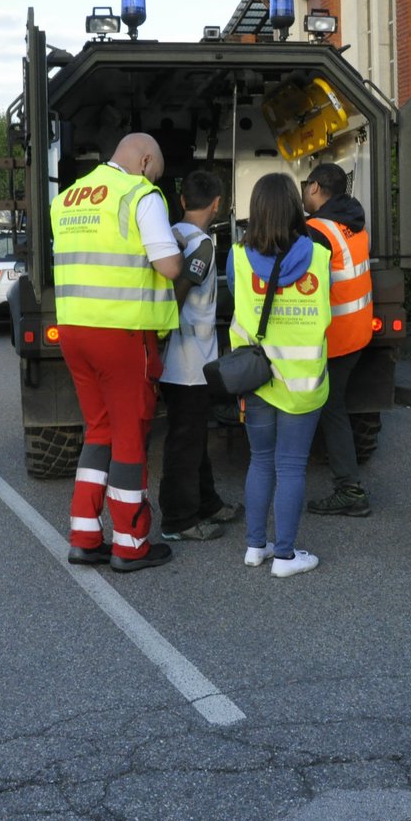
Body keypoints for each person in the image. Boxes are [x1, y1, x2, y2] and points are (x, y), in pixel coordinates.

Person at [51, 133, 183, 573]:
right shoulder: (140, 194)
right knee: (129, 434)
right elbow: (167, 265)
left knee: (99, 430)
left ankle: (85, 537)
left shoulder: (68, 198)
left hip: (73, 328)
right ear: (145, 162)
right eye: (156, 172)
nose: (154, 178)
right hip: (121, 332)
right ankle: (130, 544)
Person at [228, 172, 332, 577]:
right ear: (294, 206)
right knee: (291, 467)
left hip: (255, 377)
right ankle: (286, 556)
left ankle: (256, 546)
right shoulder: (318, 256)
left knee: (260, 461)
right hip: (303, 382)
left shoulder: (236, 256)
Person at [157, 169, 241, 542]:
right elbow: (181, 290)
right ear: (218, 204)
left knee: (193, 437)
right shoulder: (203, 246)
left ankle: (207, 503)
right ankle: (178, 520)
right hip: (187, 360)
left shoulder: (167, 235)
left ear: (183, 201)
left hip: (176, 359)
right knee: (185, 441)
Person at [299, 162, 375, 518]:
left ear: (315, 188)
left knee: (331, 409)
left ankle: (350, 489)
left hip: (333, 337)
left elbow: (302, 286)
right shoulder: (353, 223)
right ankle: (347, 485)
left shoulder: (316, 230)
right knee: (334, 407)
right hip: (356, 333)